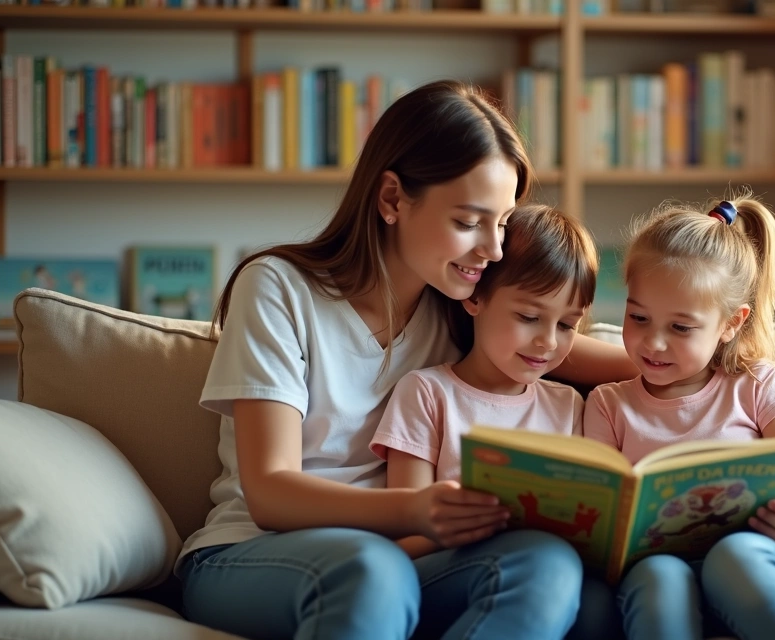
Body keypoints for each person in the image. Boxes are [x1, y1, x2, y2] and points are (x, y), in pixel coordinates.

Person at [178, 79, 637, 640]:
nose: (492, 250)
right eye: (469, 222)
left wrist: (729, 367)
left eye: (501, 222)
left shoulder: (461, 308)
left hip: (403, 557)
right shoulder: (277, 289)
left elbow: (627, 362)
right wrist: (416, 510)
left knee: (552, 568)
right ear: (392, 199)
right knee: (373, 573)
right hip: (254, 553)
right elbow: (271, 492)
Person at [583, 194, 775, 640]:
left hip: (765, 568)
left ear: (730, 324)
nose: (653, 343)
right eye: (638, 316)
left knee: (734, 556)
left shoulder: (754, 385)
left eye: (680, 327)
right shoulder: (608, 405)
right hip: (663, 575)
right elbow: (604, 522)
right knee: (659, 576)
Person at [371, 203, 617, 639]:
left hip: (546, 578)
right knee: (546, 563)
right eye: (528, 317)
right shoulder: (428, 393)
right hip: (447, 576)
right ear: (475, 296)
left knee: (600, 606)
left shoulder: (569, 405)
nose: (547, 341)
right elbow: (404, 541)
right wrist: (473, 518)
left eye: (567, 325)